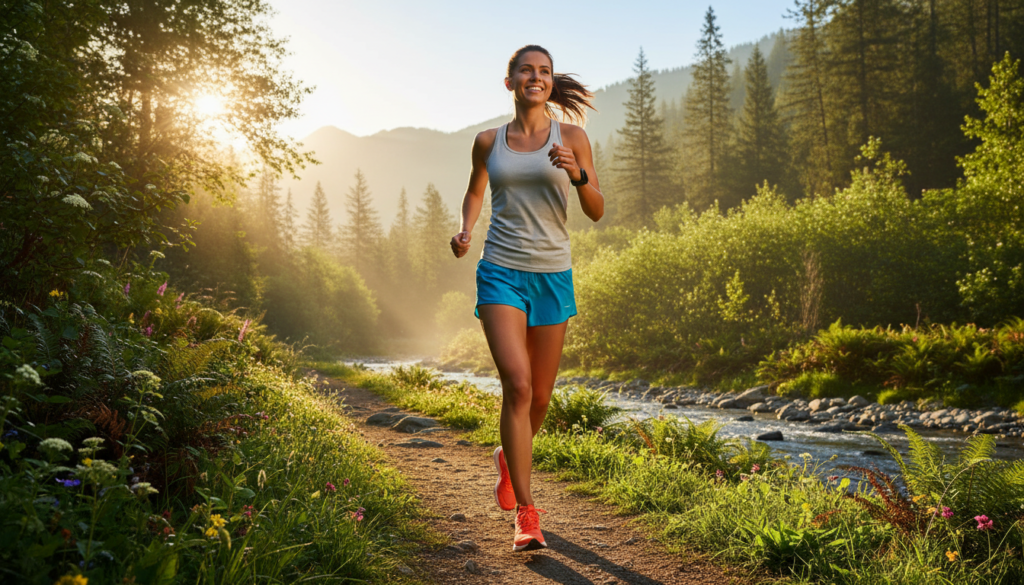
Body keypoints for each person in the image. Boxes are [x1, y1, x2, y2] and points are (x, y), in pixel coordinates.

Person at [450, 44, 604, 552]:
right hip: (500, 273)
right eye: (526, 70)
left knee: (539, 397)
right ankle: (527, 512)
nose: (535, 77)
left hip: (553, 275)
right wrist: (466, 229)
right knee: (517, 386)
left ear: (551, 83)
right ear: (510, 81)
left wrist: (577, 174)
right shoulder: (488, 141)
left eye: (544, 71)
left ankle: (507, 458)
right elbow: (476, 191)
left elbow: (597, 209)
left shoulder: (572, 138)